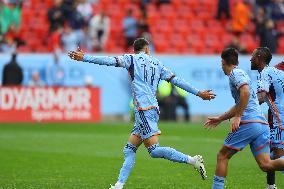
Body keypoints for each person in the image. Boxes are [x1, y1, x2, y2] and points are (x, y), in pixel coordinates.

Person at [68, 38, 216, 189]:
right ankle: (118, 185)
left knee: (154, 150)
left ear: (135, 50)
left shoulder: (131, 59)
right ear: (147, 49)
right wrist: (198, 93)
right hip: (150, 109)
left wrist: (84, 57)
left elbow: (108, 60)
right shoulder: (157, 63)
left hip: (143, 110)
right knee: (129, 149)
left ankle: (192, 160)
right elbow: (177, 81)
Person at [204, 48, 284, 189]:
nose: (251, 59)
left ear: (222, 62)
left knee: (222, 156)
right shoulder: (242, 74)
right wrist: (221, 118)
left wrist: (238, 116)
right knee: (266, 164)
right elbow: (243, 101)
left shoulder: (236, 73)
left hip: (249, 122)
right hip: (261, 124)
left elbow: (245, 93)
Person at [250, 47, 284, 189]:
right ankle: (271, 187)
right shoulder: (278, 72)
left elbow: (262, 97)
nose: (250, 59)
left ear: (259, 57)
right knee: (272, 155)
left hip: (280, 120)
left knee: (275, 157)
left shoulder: (264, 73)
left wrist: (244, 107)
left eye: (253, 56)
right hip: (279, 118)